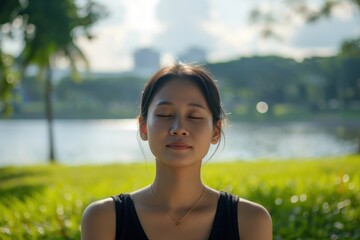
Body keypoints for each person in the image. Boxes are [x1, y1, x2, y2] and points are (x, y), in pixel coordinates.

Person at [81, 63, 272, 240]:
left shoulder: (251, 221)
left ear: (215, 131)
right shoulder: (104, 219)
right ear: (143, 127)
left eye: (194, 116)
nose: (179, 128)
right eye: (165, 114)